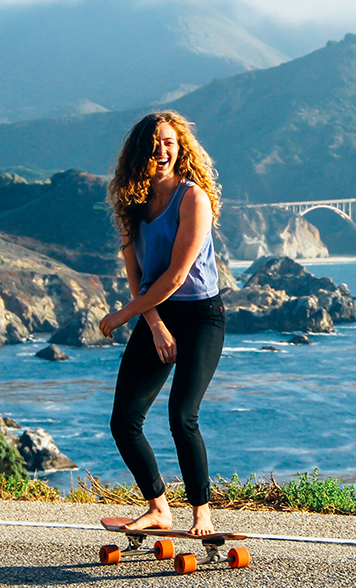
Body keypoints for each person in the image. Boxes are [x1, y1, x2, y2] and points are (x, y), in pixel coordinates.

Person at [98, 111, 225, 536]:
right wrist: (152, 323)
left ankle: (202, 513)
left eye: (169, 142)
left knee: (181, 416)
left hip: (201, 316)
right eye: (154, 144)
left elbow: (174, 276)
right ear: (141, 152)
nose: (162, 150)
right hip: (158, 313)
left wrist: (123, 315)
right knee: (124, 421)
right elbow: (138, 275)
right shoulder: (132, 205)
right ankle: (157, 507)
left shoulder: (194, 199)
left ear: (181, 147)